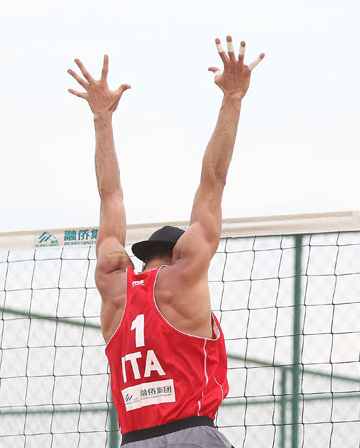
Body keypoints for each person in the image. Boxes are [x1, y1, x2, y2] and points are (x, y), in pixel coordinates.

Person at [67, 36, 264, 447]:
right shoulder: (185, 274)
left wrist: (102, 118)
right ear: (177, 253)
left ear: (141, 260)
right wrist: (233, 97)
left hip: (134, 439)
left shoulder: (116, 284)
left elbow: (111, 199)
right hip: (192, 434)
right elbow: (213, 181)